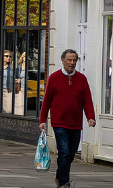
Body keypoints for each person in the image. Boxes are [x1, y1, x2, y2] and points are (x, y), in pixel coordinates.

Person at [39, 49, 96, 188]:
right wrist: (42, 120)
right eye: (69, 60)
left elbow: (87, 100)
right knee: (63, 152)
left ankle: (59, 176)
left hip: (75, 123)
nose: (72, 63)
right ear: (62, 60)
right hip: (59, 122)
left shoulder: (82, 79)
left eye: (74, 60)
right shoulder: (54, 78)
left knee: (70, 154)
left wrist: (90, 117)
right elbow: (46, 101)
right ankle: (64, 182)